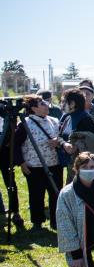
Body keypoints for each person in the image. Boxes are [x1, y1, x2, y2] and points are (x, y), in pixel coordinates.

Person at [13, 95, 69, 230]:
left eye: (45, 102)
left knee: (56, 194)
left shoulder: (54, 121)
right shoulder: (24, 124)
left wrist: (58, 142)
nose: (46, 105)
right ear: (33, 108)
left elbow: (63, 138)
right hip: (34, 166)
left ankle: (56, 221)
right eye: (41, 103)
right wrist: (21, 163)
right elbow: (16, 144)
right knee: (36, 194)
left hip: (54, 164)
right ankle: (37, 222)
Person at [57, 88, 94, 178]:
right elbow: (61, 136)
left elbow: (72, 148)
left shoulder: (85, 120)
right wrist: (62, 142)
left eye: (63, 101)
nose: (61, 104)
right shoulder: (68, 118)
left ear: (72, 103)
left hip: (85, 168)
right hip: (73, 165)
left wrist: (63, 143)